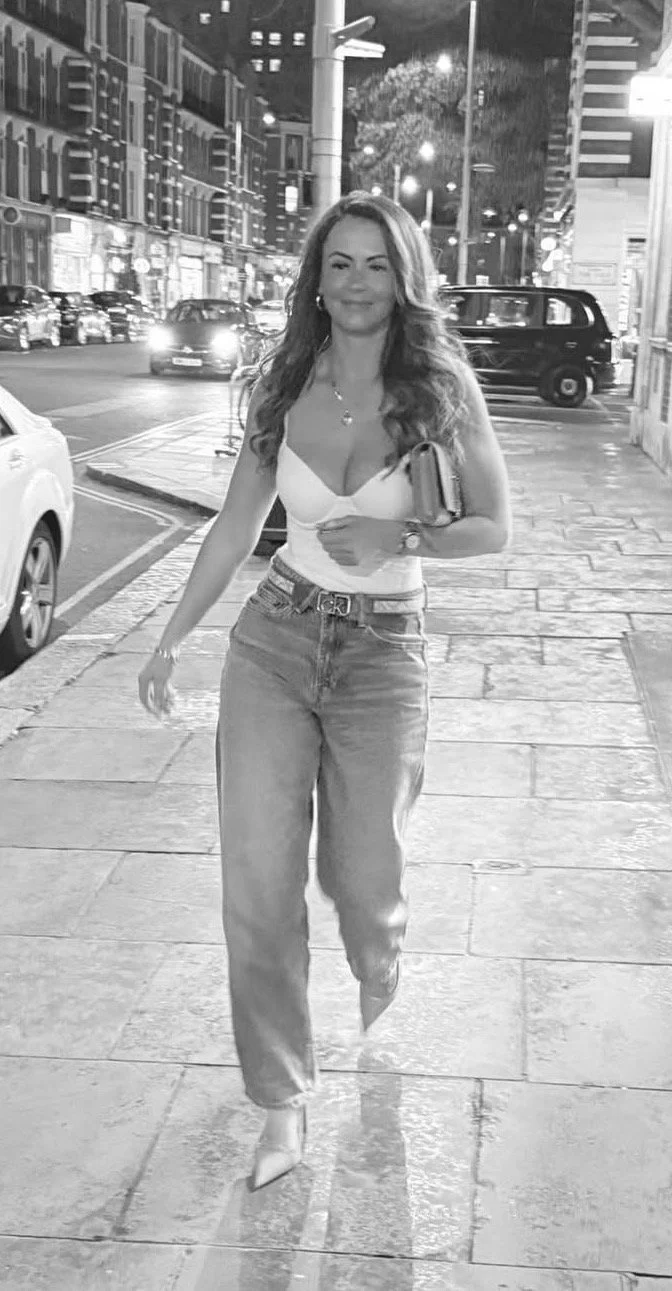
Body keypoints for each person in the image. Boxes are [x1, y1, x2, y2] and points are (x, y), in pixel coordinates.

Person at [138, 192, 511, 1191]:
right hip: (276, 640)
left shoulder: (440, 388)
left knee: (363, 877)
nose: (355, 283)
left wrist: (403, 533)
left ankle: (378, 945)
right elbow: (233, 530)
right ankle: (279, 1101)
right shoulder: (284, 381)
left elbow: (493, 528)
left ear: (405, 278)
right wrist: (171, 640)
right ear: (316, 278)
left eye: (376, 265)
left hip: (385, 654)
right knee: (256, 890)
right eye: (338, 264)